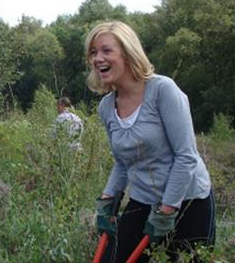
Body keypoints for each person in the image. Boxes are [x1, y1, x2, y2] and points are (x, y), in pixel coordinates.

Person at [85, 21, 215, 262]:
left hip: (189, 201)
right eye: (93, 52)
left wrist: (167, 209)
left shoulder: (162, 90)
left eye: (106, 50)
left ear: (127, 52)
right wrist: (107, 198)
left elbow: (186, 156)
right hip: (144, 199)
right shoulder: (106, 107)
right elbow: (122, 163)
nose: (97, 58)